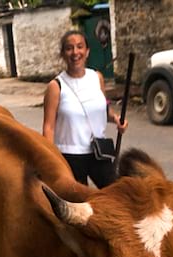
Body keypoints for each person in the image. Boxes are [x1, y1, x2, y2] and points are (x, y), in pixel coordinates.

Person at [42, 30, 128, 188]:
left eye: (80, 47)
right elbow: (48, 127)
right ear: (63, 54)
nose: (75, 52)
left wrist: (116, 119)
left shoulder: (97, 77)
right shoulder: (55, 86)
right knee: (79, 207)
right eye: (69, 48)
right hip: (69, 156)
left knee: (116, 196)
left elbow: (104, 109)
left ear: (87, 51)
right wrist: (50, 160)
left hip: (99, 151)